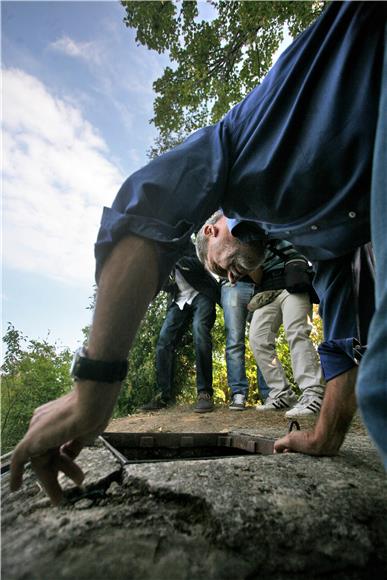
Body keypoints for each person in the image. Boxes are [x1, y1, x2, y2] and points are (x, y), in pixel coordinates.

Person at [10, 2, 387, 505]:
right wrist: (326, 435)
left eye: (220, 263)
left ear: (212, 228)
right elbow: (342, 338)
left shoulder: (242, 143)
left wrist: (93, 389)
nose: (229, 273)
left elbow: (148, 201)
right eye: (225, 273)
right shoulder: (322, 239)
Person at [219, 231, 325, 417]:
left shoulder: (267, 223)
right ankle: (281, 394)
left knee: (297, 332)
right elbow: (258, 277)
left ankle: (313, 393)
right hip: (268, 289)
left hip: (293, 279)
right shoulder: (242, 246)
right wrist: (242, 266)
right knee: (257, 338)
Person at [141, 244, 219, 413]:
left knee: (200, 330)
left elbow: (200, 265)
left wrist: (174, 257)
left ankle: (204, 393)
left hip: (201, 294)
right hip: (179, 300)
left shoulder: (184, 244)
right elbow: (166, 285)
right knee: (163, 340)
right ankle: (163, 395)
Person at [221, 276, 268, 410]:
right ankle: (238, 393)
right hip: (234, 285)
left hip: (263, 286)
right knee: (234, 341)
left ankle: (270, 394)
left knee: (264, 341)